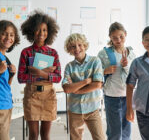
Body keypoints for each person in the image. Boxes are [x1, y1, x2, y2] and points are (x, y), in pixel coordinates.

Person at [17, 10, 61, 140]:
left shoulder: (53, 53)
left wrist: (38, 72)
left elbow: (58, 77)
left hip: (48, 96)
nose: (41, 33)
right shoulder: (26, 53)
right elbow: (21, 78)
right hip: (32, 96)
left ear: (49, 32)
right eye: (37, 30)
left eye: (44, 30)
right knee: (33, 135)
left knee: (46, 135)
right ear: (31, 31)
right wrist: (45, 73)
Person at [62, 33, 105, 140]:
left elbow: (97, 84)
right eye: (73, 46)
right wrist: (86, 81)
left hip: (92, 110)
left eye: (80, 45)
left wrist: (76, 90)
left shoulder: (95, 61)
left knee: (99, 138)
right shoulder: (69, 67)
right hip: (74, 110)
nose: (77, 48)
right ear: (69, 50)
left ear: (85, 45)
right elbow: (67, 88)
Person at [97, 22, 135, 140]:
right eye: (115, 38)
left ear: (126, 34)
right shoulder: (104, 54)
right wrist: (105, 70)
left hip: (127, 97)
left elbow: (134, 75)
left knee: (126, 130)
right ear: (110, 38)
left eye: (121, 36)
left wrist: (126, 66)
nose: (118, 40)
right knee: (115, 132)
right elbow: (94, 73)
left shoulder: (131, 54)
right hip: (112, 96)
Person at [126, 26, 149, 140]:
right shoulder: (137, 63)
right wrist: (129, 108)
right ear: (142, 42)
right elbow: (130, 86)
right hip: (143, 111)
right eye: (147, 39)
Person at [0, 20, 20, 140]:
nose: (8, 37)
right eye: (4, 33)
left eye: (11, 35)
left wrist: (11, 75)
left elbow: (5, 85)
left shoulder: (5, 58)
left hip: (6, 105)